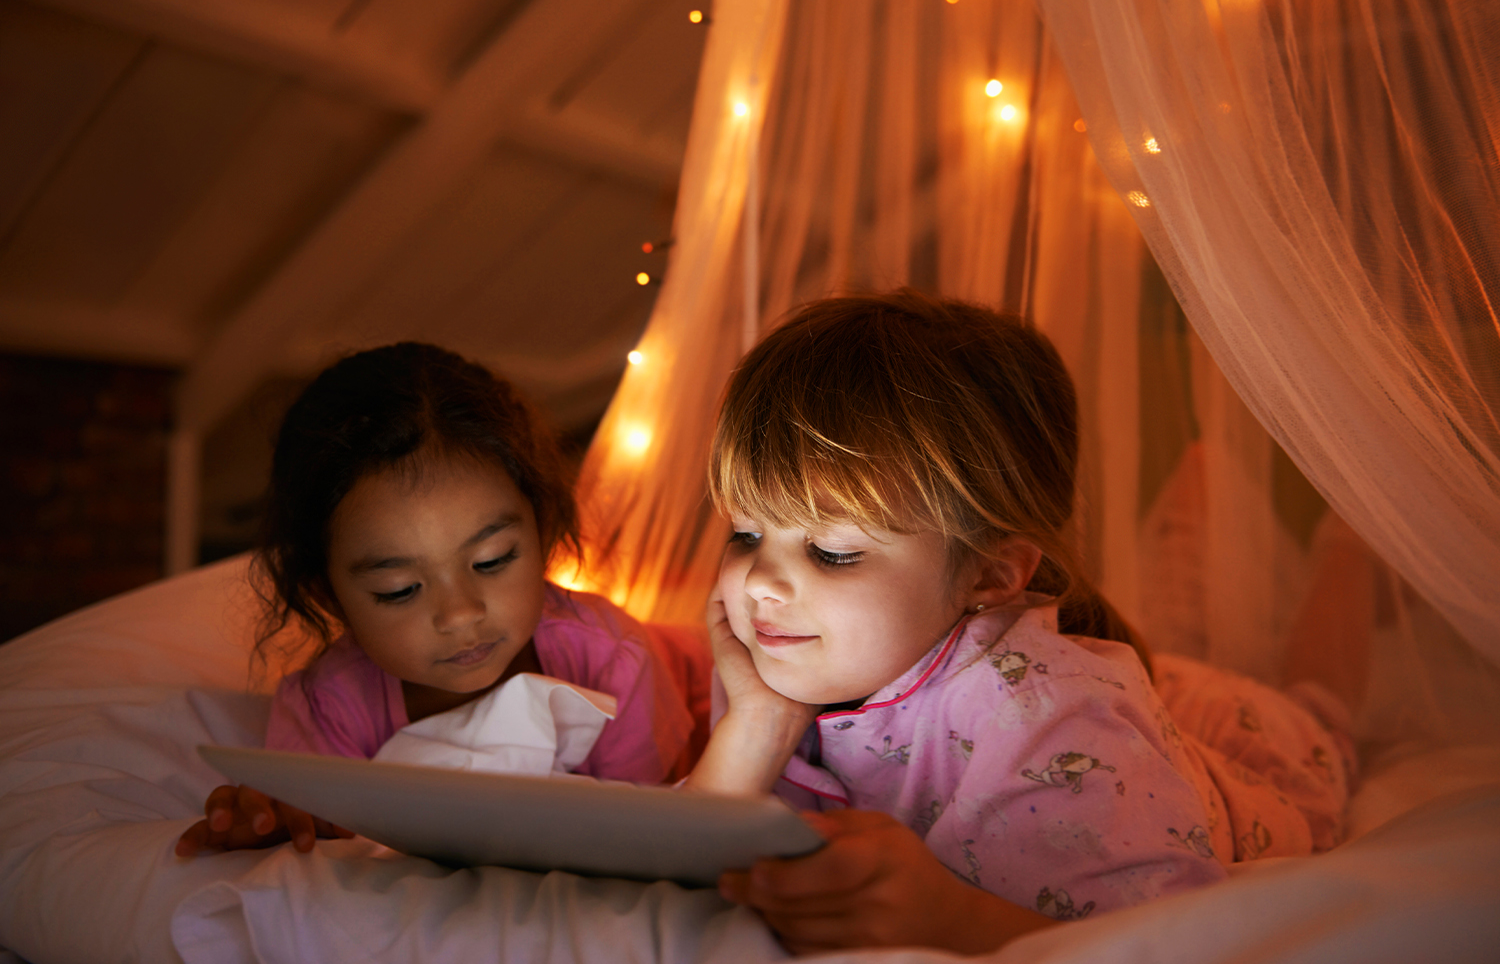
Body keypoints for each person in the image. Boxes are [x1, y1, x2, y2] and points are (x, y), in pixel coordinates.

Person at [683, 291, 1357, 955]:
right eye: (745, 534)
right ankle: (1197, 499)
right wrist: (758, 726)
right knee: (1168, 666)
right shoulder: (778, 664)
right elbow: (681, 863)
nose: (760, 582)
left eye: (833, 552)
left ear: (988, 574)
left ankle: (1347, 552)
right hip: (1122, 695)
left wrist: (952, 920)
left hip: (1254, 747)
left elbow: (1159, 945)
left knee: (1318, 708)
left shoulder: (1053, 717)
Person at [176, 342, 705, 857]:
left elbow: (654, 831)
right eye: (400, 590)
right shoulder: (331, 705)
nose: (460, 614)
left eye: (492, 560)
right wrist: (271, 820)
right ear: (328, 595)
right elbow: (310, 832)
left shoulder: (613, 662)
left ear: (543, 529)